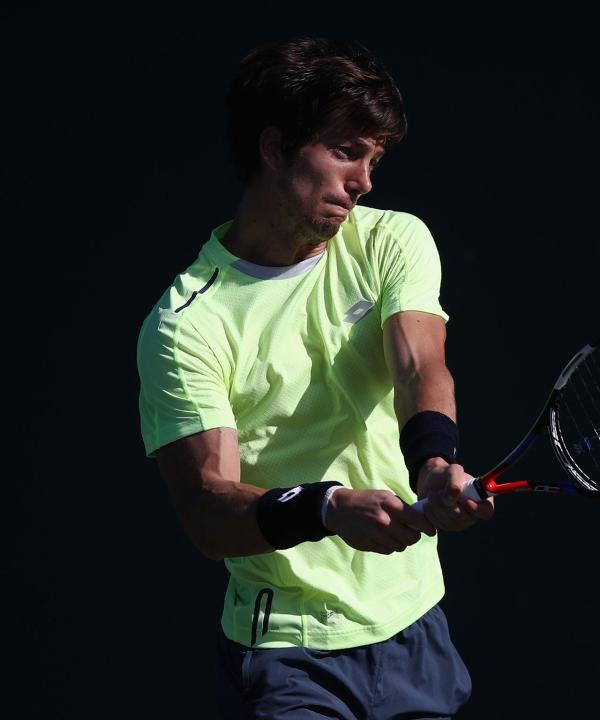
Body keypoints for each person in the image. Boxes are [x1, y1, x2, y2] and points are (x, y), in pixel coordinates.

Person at [136, 37, 494, 719]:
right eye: (345, 152)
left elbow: (420, 363)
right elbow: (210, 510)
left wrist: (435, 464)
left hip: (414, 622)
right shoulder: (189, 324)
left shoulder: (392, 240)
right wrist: (327, 507)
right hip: (287, 651)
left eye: (374, 159)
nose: (365, 181)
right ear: (275, 148)